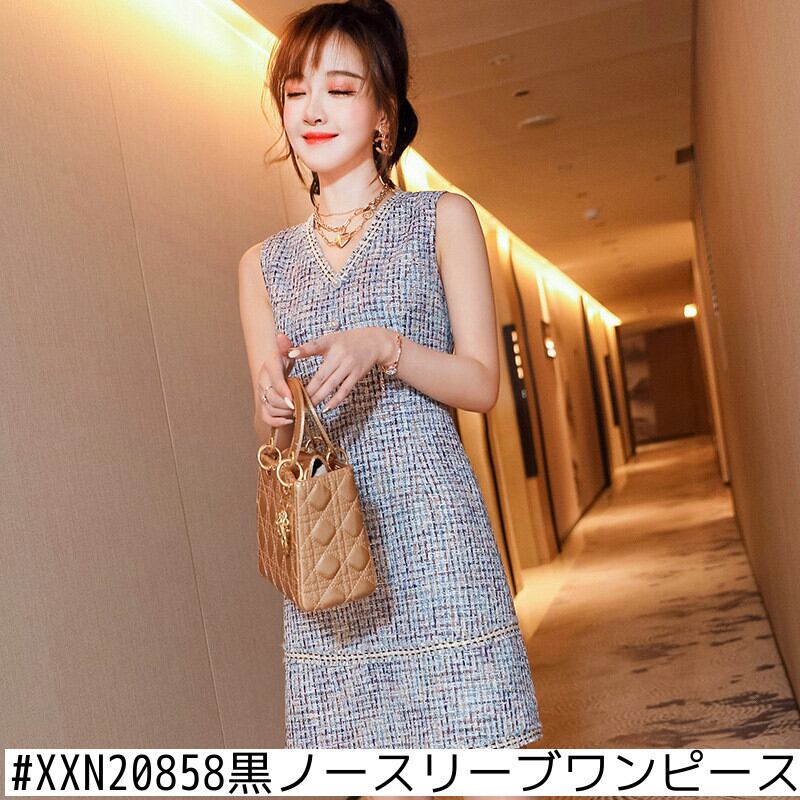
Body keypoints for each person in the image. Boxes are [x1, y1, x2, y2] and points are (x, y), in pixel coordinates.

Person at [238, 0, 543, 770]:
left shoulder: (442, 219)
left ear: (384, 113)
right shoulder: (262, 265)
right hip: (328, 552)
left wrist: (385, 346)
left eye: (340, 89)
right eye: (296, 91)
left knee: (477, 762)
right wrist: (276, 405)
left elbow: (481, 384)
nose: (312, 109)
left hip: (434, 532)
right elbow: (275, 430)